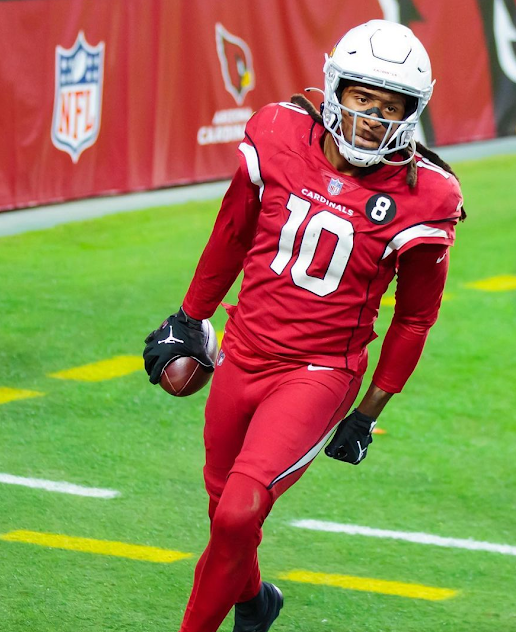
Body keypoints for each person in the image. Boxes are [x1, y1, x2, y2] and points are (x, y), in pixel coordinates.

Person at [143, 19, 465, 632]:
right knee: (224, 512)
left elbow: (415, 318)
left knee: (238, 515)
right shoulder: (278, 131)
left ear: (411, 113)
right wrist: (190, 316)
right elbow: (232, 231)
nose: (372, 117)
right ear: (335, 89)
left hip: (318, 372)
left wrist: (367, 415)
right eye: (362, 98)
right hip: (242, 349)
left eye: (389, 106)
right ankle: (255, 602)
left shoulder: (428, 195)